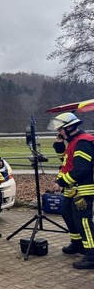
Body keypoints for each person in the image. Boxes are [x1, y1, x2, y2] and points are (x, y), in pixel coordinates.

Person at [48, 112, 94, 269]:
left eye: (60, 129)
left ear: (70, 127)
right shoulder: (74, 142)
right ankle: (77, 244)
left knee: (84, 222)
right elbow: (67, 162)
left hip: (82, 190)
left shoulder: (83, 142)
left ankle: (91, 255)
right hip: (72, 189)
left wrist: (61, 182)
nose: (58, 132)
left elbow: (81, 169)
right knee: (67, 214)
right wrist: (59, 145)